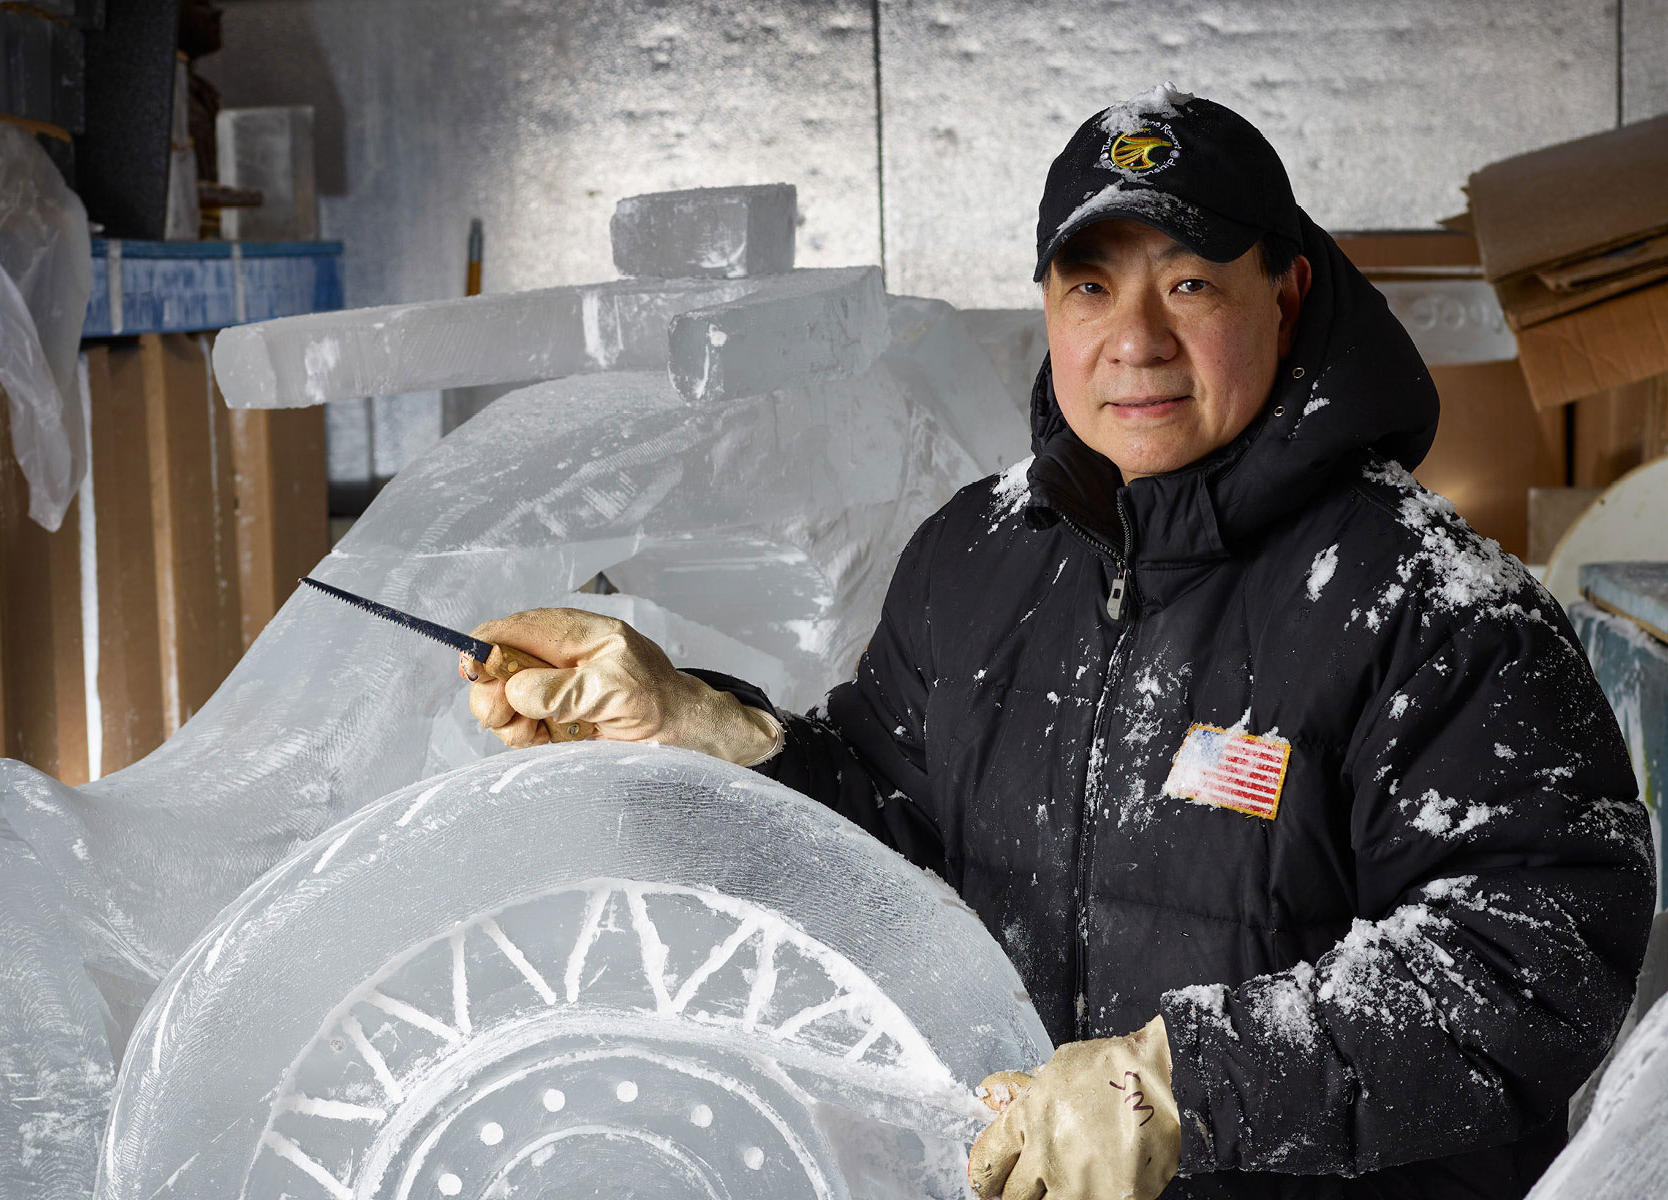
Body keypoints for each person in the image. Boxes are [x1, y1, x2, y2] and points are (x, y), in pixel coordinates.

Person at [458, 86, 1655, 1200]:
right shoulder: (978, 556)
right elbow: (889, 821)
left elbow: (1530, 960)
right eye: (1090, 287)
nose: (1133, 340)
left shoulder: (1431, 605)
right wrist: (710, 734)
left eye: (1188, 284)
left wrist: (1190, 1081)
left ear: (1285, 295)